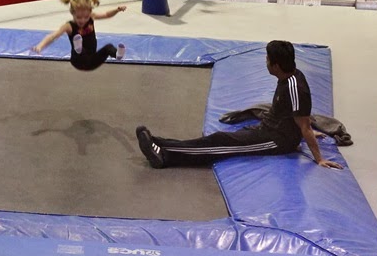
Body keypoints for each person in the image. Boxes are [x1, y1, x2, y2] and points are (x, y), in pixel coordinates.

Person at [136, 40, 343, 170]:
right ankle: (158, 142)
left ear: (276, 65)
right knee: (219, 138)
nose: (265, 62)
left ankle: (165, 156)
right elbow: (300, 117)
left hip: (276, 141)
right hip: (267, 129)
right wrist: (303, 130)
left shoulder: (295, 87)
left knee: (220, 144)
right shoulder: (289, 77)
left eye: (267, 59)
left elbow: (304, 124)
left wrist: (318, 157)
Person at [32, 0, 127, 71]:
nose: (82, 20)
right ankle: (79, 49)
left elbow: (106, 14)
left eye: (86, 17)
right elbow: (53, 36)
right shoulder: (69, 26)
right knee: (79, 48)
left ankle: (117, 55)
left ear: (90, 13)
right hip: (77, 61)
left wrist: (117, 10)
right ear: (72, 14)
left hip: (92, 61)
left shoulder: (92, 17)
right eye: (78, 17)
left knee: (108, 47)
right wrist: (40, 46)